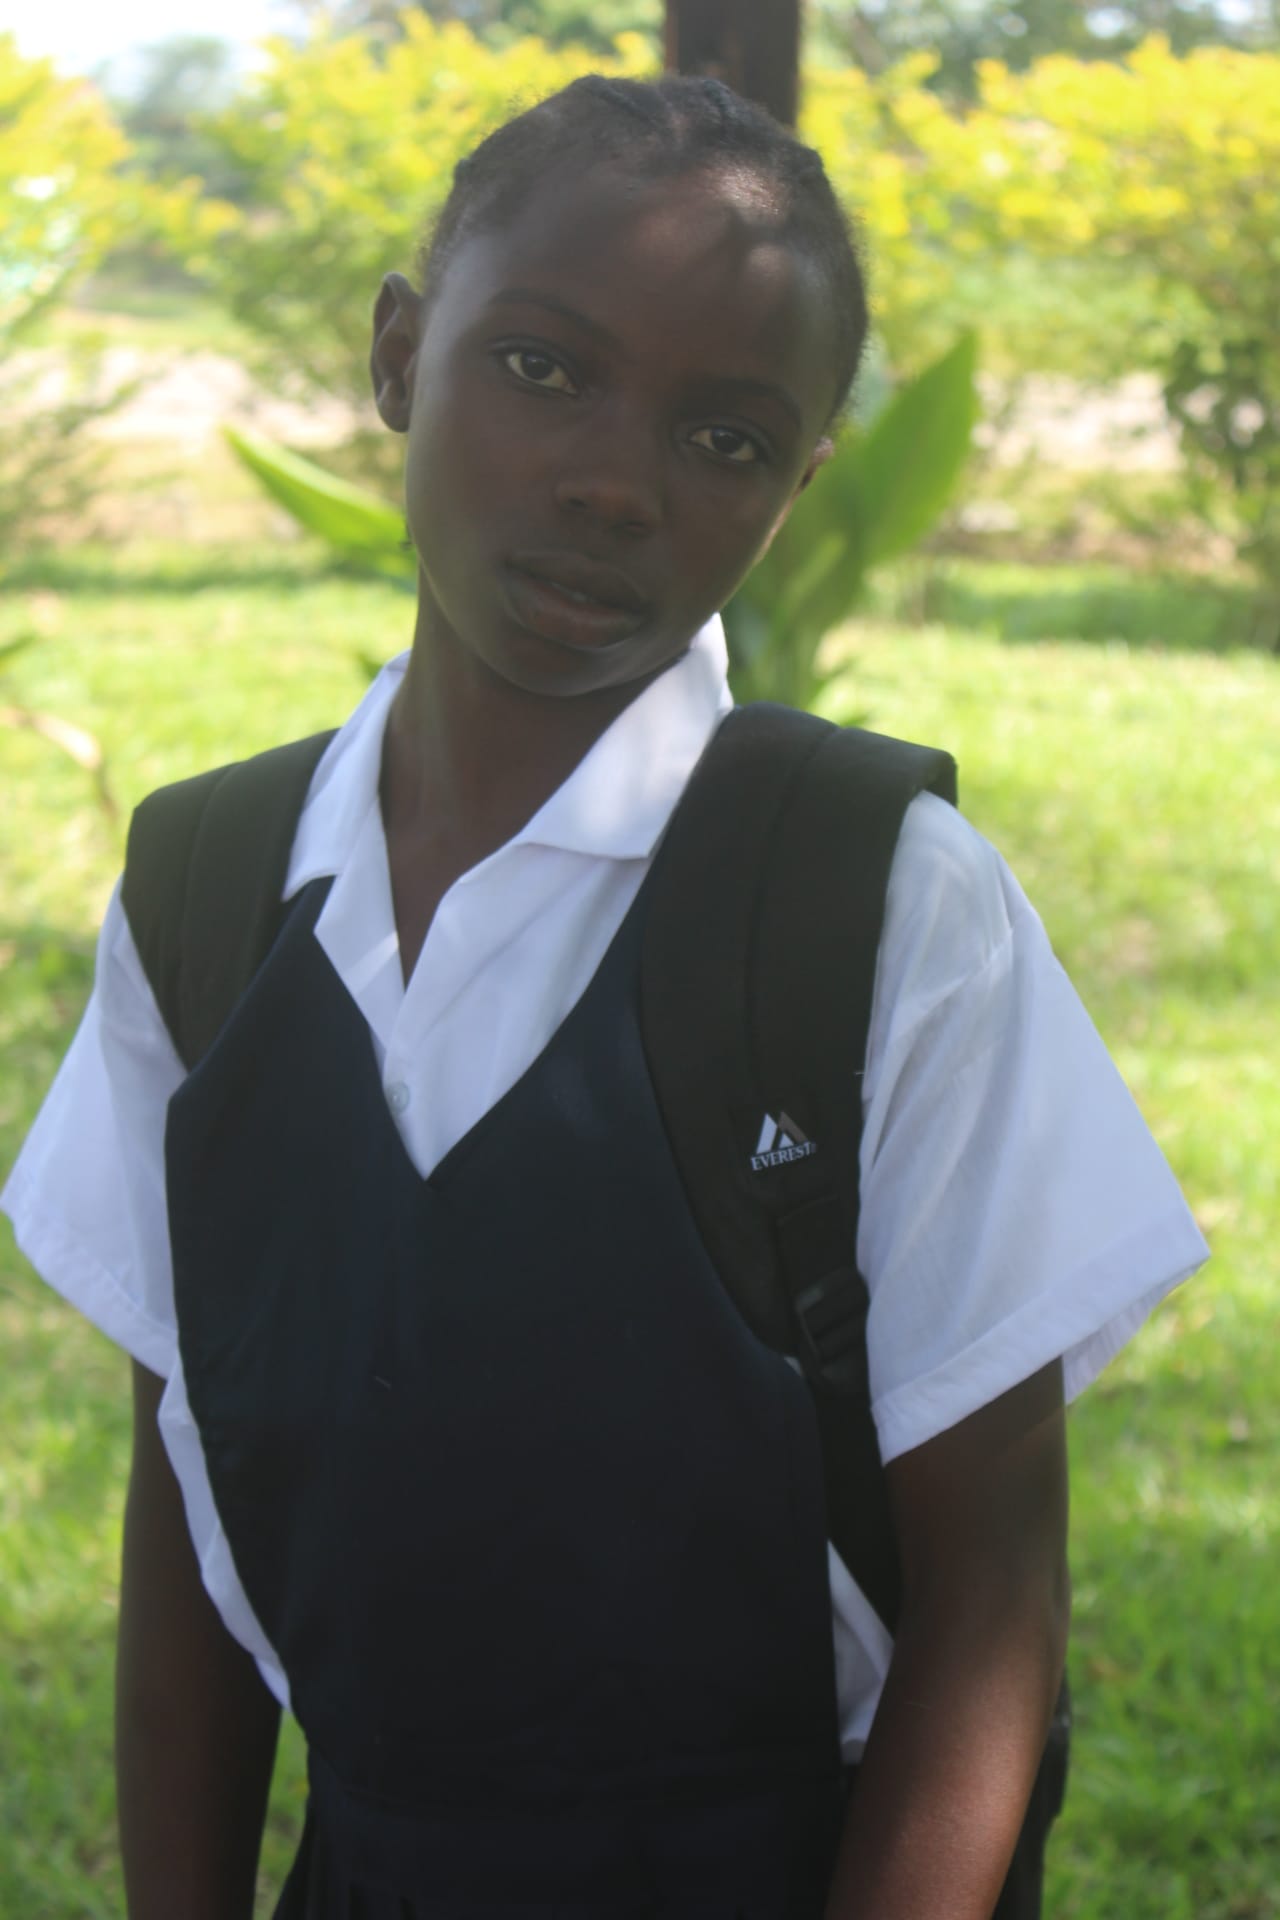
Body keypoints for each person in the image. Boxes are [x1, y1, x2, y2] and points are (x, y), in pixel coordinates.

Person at [1, 74, 1207, 1920]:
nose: (616, 483)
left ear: (800, 487)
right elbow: (190, 1500)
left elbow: (991, 1606)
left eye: (725, 437)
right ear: (399, 354)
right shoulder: (211, 894)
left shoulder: (875, 901)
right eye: (542, 368)